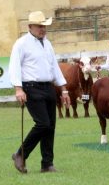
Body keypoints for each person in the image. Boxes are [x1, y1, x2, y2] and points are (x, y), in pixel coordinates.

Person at [9, 11, 70, 174]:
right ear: (30, 27)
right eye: (39, 26)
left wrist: (64, 90)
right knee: (43, 123)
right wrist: (18, 88)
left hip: (48, 87)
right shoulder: (21, 44)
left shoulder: (47, 44)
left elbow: (54, 67)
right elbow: (14, 66)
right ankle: (21, 154)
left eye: (44, 26)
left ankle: (47, 163)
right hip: (31, 87)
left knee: (50, 127)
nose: (43, 29)